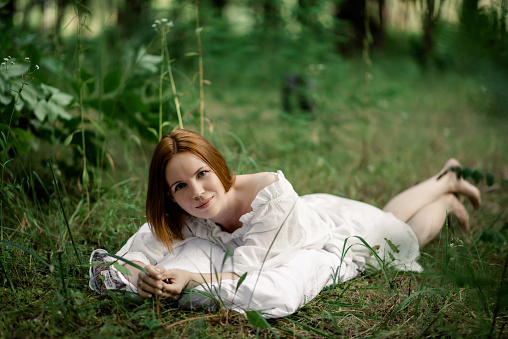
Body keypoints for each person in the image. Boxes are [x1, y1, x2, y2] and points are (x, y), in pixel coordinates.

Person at [91, 129, 481, 304]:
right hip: (313, 212)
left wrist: (193, 277)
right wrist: (140, 273)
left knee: (404, 235)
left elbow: (247, 268)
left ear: (217, 165)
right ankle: (446, 177)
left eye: (201, 174)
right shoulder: (180, 211)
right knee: (388, 215)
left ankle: (446, 195)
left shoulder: (268, 196)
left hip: (334, 234)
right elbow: (135, 251)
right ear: (169, 196)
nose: (196, 192)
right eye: (179, 187)